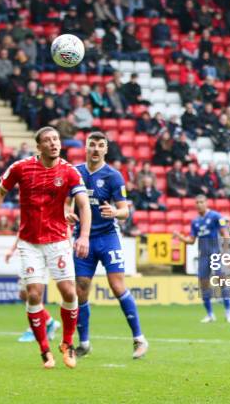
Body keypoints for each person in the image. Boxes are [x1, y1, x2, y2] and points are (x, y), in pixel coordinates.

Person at [0, 126, 91, 370]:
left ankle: (67, 343)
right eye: (48, 140)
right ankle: (44, 350)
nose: (54, 144)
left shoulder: (69, 172)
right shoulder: (21, 168)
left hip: (59, 240)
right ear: (38, 146)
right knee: (32, 294)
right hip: (30, 242)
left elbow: (83, 204)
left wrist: (83, 236)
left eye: (56, 139)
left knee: (69, 293)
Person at [68, 132, 148, 359]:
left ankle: (139, 339)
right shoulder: (76, 173)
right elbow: (66, 204)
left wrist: (115, 212)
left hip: (107, 237)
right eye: (92, 145)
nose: (95, 149)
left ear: (105, 150)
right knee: (81, 288)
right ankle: (83, 343)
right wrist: (67, 214)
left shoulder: (113, 176)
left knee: (117, 286)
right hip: (83, 238)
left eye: (100, 145)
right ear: (85, 147)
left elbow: (125, 210)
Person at [173, 195, 230, 324]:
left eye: (201, 202)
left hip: (215, 253)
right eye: (197, 202)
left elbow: (225, 234)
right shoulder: (195, 221)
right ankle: (210, 314)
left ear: (206, 203)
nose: (199, 204)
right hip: (203, 256)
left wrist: (226, 250)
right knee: (204, 284)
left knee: (221, 281)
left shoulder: (215, 216)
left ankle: (228, 313)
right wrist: (180, 237)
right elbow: (191, 241)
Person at [4, 238, 61, 344]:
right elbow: (22, 229)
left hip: (44, 249)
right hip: (27, 250)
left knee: (34, 293)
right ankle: (49, 322)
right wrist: (12, 250)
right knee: (23, 294)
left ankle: (33, 329)